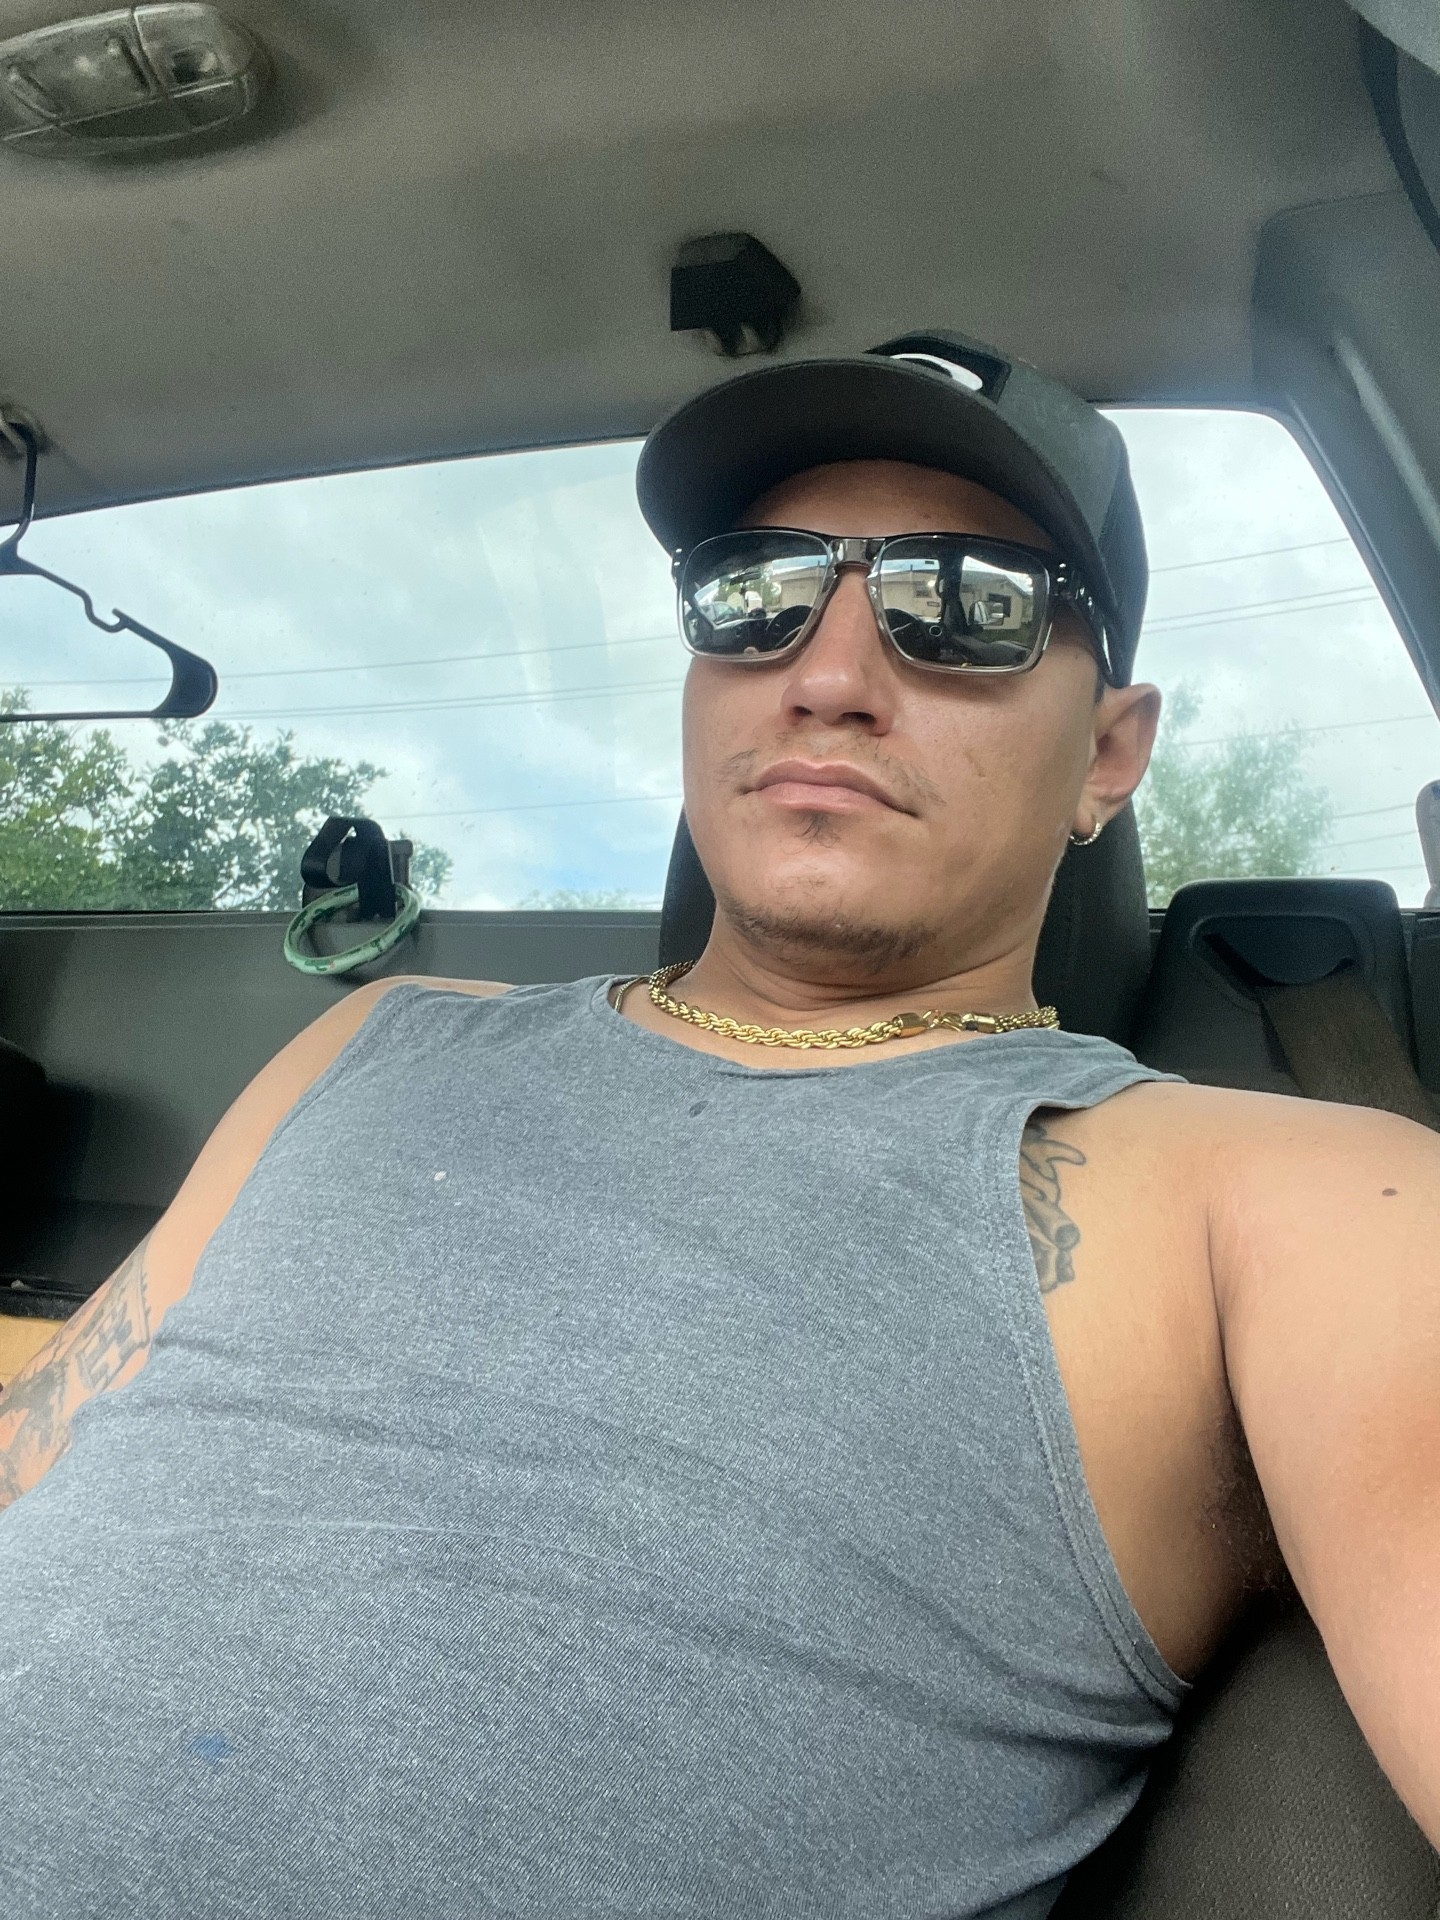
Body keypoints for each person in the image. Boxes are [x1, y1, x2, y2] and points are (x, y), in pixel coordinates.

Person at [1, 330, 1436, 1918]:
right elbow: (42, 1443)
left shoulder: (1292, 1193)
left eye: (966, 604)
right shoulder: (377, 1033)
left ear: (1109, 754)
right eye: (757, 591)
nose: (827, 676)